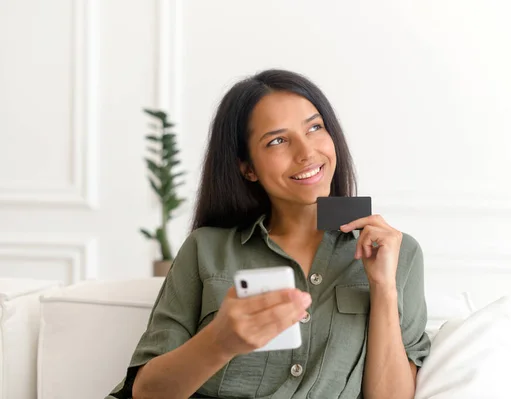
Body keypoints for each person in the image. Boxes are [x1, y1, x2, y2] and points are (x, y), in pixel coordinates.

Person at [106, 69, 430, 399]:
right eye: (277, 140)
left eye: (315, 127)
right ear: (247, 167)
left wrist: (383, 287)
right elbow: (146, 392)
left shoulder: (396, 253)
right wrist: (220, 341)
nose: (306, 153)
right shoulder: (205, 249)